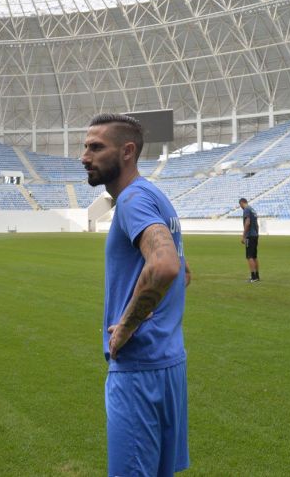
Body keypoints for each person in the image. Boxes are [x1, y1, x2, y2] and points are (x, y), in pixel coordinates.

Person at [81, 113, 191, 476]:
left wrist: (126, 326)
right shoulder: (157, 196)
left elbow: (165, 266)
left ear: (127, 151)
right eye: (85, 147)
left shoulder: (131, 201)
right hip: (169, 362)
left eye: (96, 147)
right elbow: (184, 271)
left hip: (138, 369)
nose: (85, 157)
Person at [238, 197, 260, 282]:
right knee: (254, 256)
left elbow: (247, 222)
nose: (241, 207)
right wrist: (257, 234)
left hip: (250, 236)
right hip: (255, 235)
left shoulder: (246, 209)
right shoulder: (253, 210)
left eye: (240, 205)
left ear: (242, 203)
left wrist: (244, 236)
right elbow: (257, 225)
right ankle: (257, 276)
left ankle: (253, 277)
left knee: (249, 256)